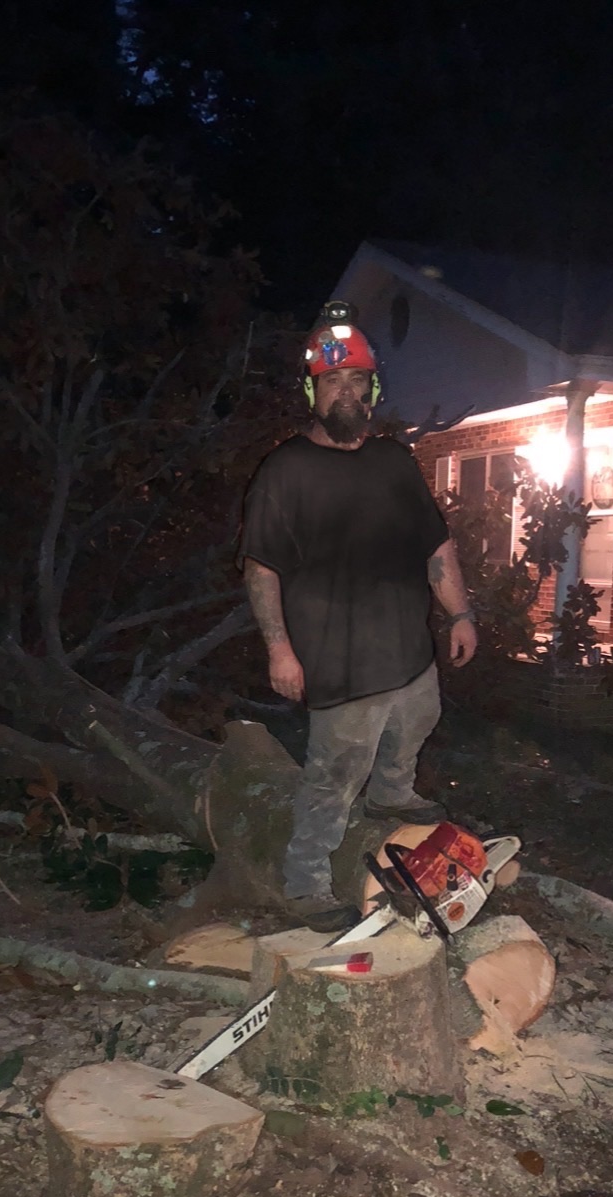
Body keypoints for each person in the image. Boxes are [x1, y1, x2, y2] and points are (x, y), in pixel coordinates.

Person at [239, 302, 478, 932]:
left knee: (420, 718)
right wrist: (279, 650)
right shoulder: (286, 470)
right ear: (312, 393)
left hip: (408, 651)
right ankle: (306, 883)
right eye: (331, 382)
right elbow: (261, 569)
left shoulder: (393, 462)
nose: (345, 392)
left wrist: (460, 612)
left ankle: (393, 791)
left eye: (356, 380)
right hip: (339, 664)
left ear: (372, 391)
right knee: (332, 781)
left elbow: (436, 545)